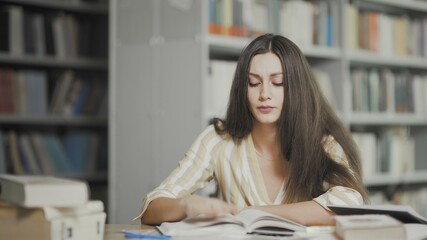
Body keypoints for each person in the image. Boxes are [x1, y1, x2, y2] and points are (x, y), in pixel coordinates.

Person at [137, 33, 368, 226]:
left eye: (278, 83)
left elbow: (349, 203)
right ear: (242, 88)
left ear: (296, 88)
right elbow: (152, 207)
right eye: (254, 83)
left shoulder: (324, 141)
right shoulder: (218, 140)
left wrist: (252, 213)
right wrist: (186, 205)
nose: (264, 94)